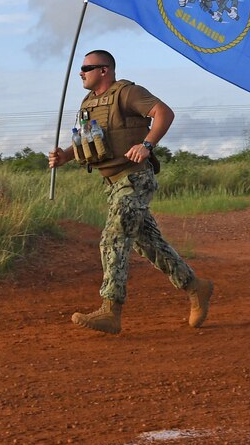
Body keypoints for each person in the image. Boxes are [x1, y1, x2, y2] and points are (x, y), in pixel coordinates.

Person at [48, 50, 214, 334]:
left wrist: (147, 145)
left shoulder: (127, 93)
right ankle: (196, 287)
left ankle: (110, 310)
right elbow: (90, 141)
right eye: (81, 68)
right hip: (112, 184)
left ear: (104, 70)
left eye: (87, 67)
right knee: (148, 244)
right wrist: (65, 155)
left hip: (135, 178)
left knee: (114, 238)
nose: (81, 72)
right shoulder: (88, 102)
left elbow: (164, 112)